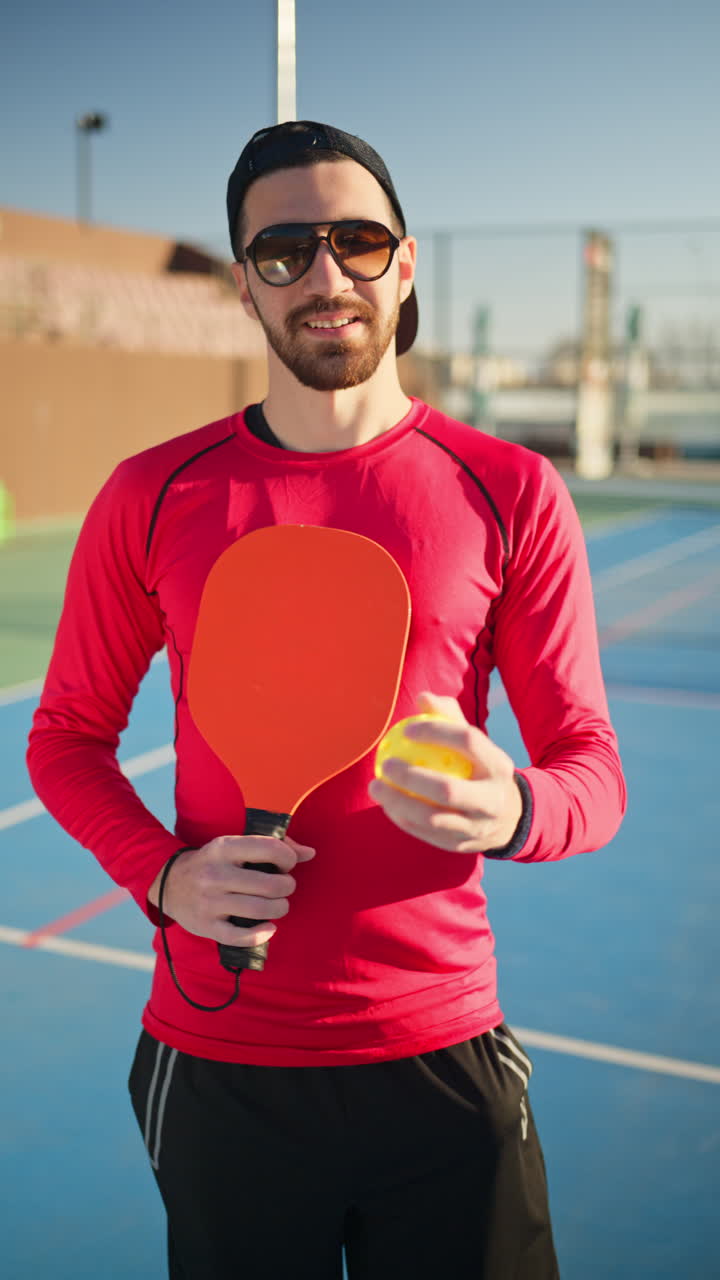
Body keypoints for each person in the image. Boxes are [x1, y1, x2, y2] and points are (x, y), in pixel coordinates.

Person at [27, 120, 626, 1279]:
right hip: (220, 1062)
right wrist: (161, 874)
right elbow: (66, 736)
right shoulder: (152, 494)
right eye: (284, 250)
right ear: (245, 285)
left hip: (444, 1061)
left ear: (404, 267)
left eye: (357, 242)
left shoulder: (511, 493)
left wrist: (514, 809)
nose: (325, 275)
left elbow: (590, 768)